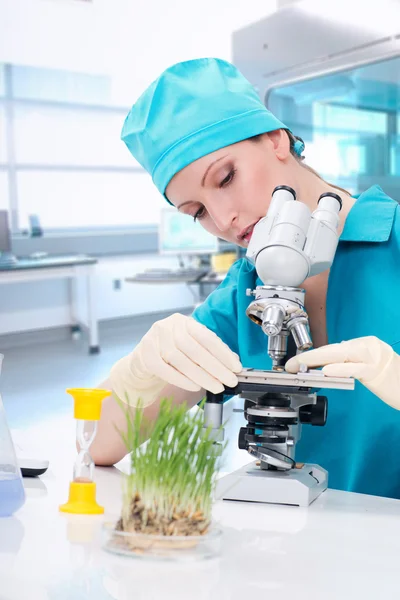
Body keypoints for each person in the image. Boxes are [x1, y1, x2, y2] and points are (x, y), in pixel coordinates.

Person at [92, 58, 400, 500]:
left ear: (276, 139)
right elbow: (99, 444)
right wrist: (140, 371)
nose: (221, 219)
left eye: (225, 178)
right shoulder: (245, 292)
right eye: (196, 212)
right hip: (304, 551)